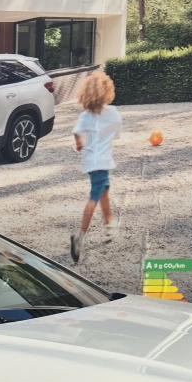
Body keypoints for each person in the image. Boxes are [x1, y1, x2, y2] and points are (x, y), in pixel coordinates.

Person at [69, 71, 122, 262]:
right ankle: (80, 236)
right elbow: (117, 134)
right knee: (94, 197)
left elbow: (76, 132)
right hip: (103, 161)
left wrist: (79, 144)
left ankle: (110, 224)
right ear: (107, 91)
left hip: (91, 163)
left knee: (103, 190)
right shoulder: (113, 113)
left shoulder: (85, 116)